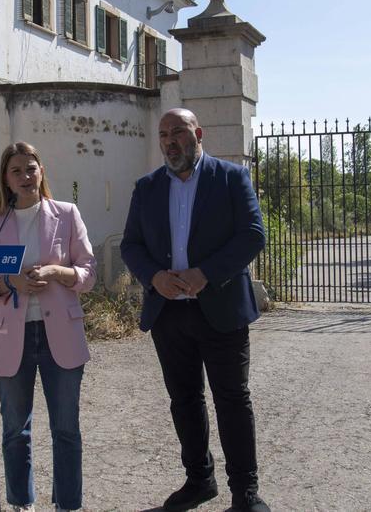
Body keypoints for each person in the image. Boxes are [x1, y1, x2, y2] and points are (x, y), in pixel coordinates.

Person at [121, 108, 269, 512]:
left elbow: (253, 235)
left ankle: (245, 492)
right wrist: (154, 277)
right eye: (164, 134)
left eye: (178, 132)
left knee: (232, 399)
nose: (170, 141)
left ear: (198, 134)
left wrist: (207, 273)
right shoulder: (147, 187)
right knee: (184, 400)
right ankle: (199, 480)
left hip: (220, 309)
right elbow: (131, 244)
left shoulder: (231, 177)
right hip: (169, 313)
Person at [0, 142, 96, 512]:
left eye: (31, 168)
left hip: (61, 336)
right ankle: (22, 503)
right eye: (16, 171)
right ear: (6, 180)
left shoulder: (67, 214)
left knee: (66, 429)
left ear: (42, 172)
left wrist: (57, 271)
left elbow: (88, 274)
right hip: (10, 339)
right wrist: (11, 282)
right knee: (14, 430)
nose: (25, 176)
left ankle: (68, 505)